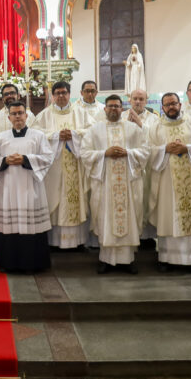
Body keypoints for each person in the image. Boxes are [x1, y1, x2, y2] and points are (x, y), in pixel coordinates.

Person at [147, 92, 191, 274]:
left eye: (174, 104)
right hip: (166, 182)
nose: (171, 107)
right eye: (167, 104)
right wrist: (164, 149)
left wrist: (188, 148)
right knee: (167, 217)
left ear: (180, 104)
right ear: (162, 107)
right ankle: (166, 258)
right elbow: (147, 151)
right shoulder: (155, 127)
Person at [81, 94, 149, 274]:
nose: (113, 109)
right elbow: (85, 153)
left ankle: (128, 260)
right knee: (105, 217)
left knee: (129, 217)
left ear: (122, 108)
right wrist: (104, 153)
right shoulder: (94, 130)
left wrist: (128, 153)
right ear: (104, 109)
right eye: (110, 106)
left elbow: (145, 151)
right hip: (105, 183)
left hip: (128, 182)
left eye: (117, 106)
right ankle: (105, 259)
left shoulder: (133, 129)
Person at [0, 101, 54, 272]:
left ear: (26, 116)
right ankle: (9, 264)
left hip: (30, 188)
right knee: (10, 227)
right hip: (8, 188)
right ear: (9, 117)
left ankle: (32, 264)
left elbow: (47, 157)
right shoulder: (1, 137)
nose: (18, 116)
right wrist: (5, 160)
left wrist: (25, 159)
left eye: (20, 113)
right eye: (14, 114)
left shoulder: (38, 136)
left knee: (31, 225)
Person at [31, 81, 95, 248]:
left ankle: (78, 242)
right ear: (53, 96)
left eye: (64, 93)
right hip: (54, 168)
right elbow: (36, 135)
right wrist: (55, 136)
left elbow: (92, 131)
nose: (61, 96)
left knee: (75, 199)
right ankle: (54, 242)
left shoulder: (81, 113)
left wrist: (73, 134)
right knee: (56, 199)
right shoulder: (44, 115)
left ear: (69, 94)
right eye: (57, 93)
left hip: (75, 163)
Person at [122, 89, 160, 240]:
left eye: (141, 99)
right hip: (128, 166)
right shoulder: (121, 116)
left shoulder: (154, 118)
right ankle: (131, 233)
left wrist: (140, 124)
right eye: (135, 98)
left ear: (146, 101)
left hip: (147, 166)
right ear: (129, 100)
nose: (138, 101)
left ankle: (147, 236)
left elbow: (156, 137)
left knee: (147, 197)